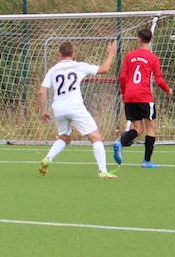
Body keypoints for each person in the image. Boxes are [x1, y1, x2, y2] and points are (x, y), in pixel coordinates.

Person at [38, 40, 118, 179]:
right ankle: (103, 171)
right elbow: (104, 69)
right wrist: (111, 53)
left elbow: (41, 92)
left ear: (59, 54)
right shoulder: (79, 66)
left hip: (59, 109)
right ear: (73, 53)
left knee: (65, 137)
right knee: (96, 137)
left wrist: (43, 110)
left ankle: (48, 158)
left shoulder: (53, 70)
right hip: (75, 107)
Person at [112, 27, 173, 168]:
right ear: (150, 40)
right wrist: (168, 89)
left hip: (130, 96)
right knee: (151, 128)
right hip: (144, 97)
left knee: (138, 128)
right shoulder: (153, 58)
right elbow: (159, 80)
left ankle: (120, 142)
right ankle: (146, 161)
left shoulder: (130, 56)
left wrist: (123, 93)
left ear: (139, 39)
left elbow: (123, 77)